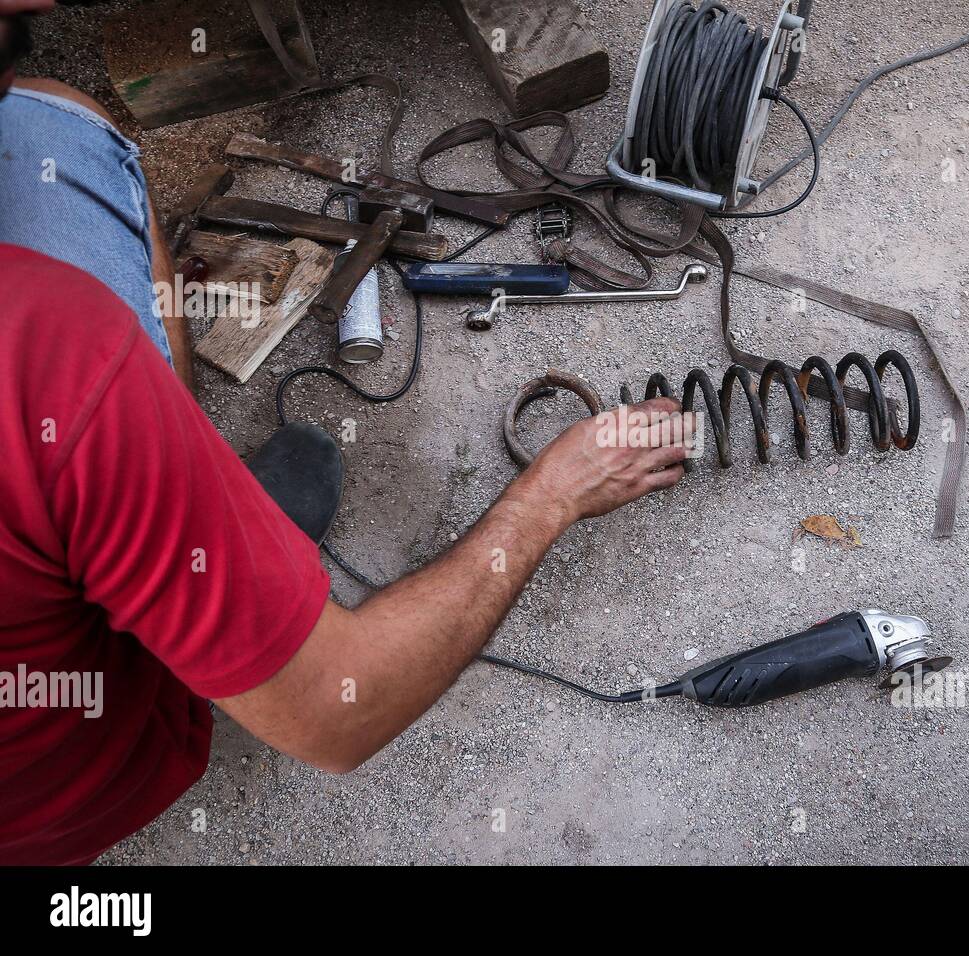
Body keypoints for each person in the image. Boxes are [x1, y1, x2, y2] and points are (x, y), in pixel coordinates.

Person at [0, 0, 693, 864]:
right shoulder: (47, 350)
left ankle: (175, 517)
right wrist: (552, 495)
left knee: (49, 120)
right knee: (68, 134)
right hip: (65, 799)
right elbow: (338, 714)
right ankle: (175, 542)